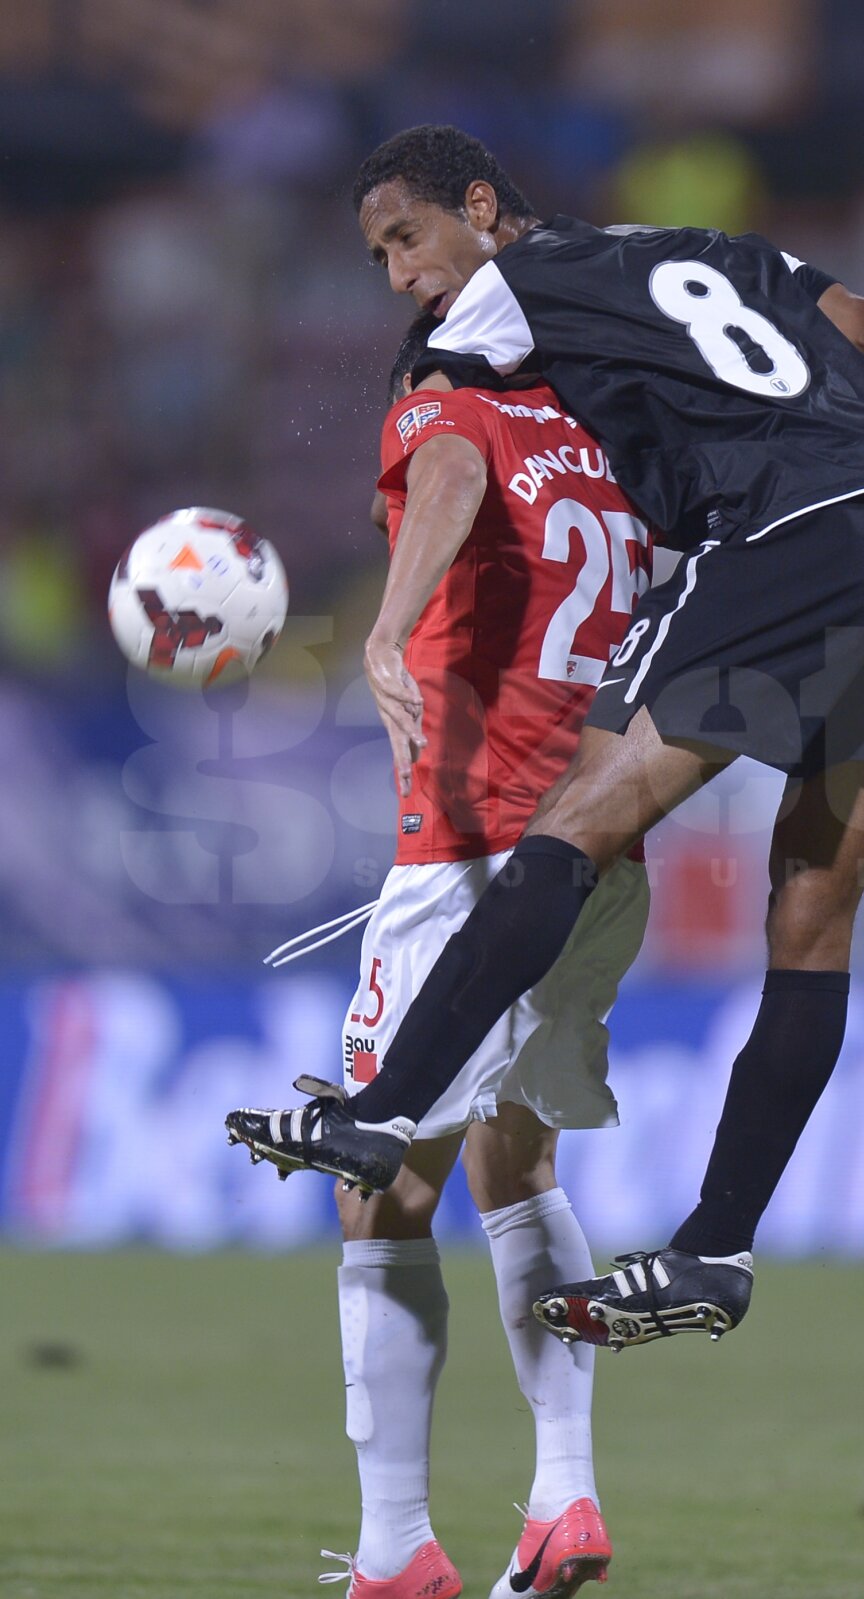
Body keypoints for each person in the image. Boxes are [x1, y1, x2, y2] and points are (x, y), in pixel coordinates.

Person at [229, 124, 864, 1353]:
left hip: (789, 529)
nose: (399, 273)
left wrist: (385, 626)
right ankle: (716, 1247)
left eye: (407, 239)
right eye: (380, 253)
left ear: (482, 208)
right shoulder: (720, 251)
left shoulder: (507, 288)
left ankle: (384, 1114)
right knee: (815, 907)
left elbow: (439, 444)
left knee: (580, 816)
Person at [230, 314, 652, 1599]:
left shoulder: (443, 411)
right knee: (516, 1162)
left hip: (467, 854)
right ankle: (565, 1497)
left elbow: (449, 475)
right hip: (596, 847)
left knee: (381, 1185)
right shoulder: (602, 452)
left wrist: (380, 627)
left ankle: (394, 1548)